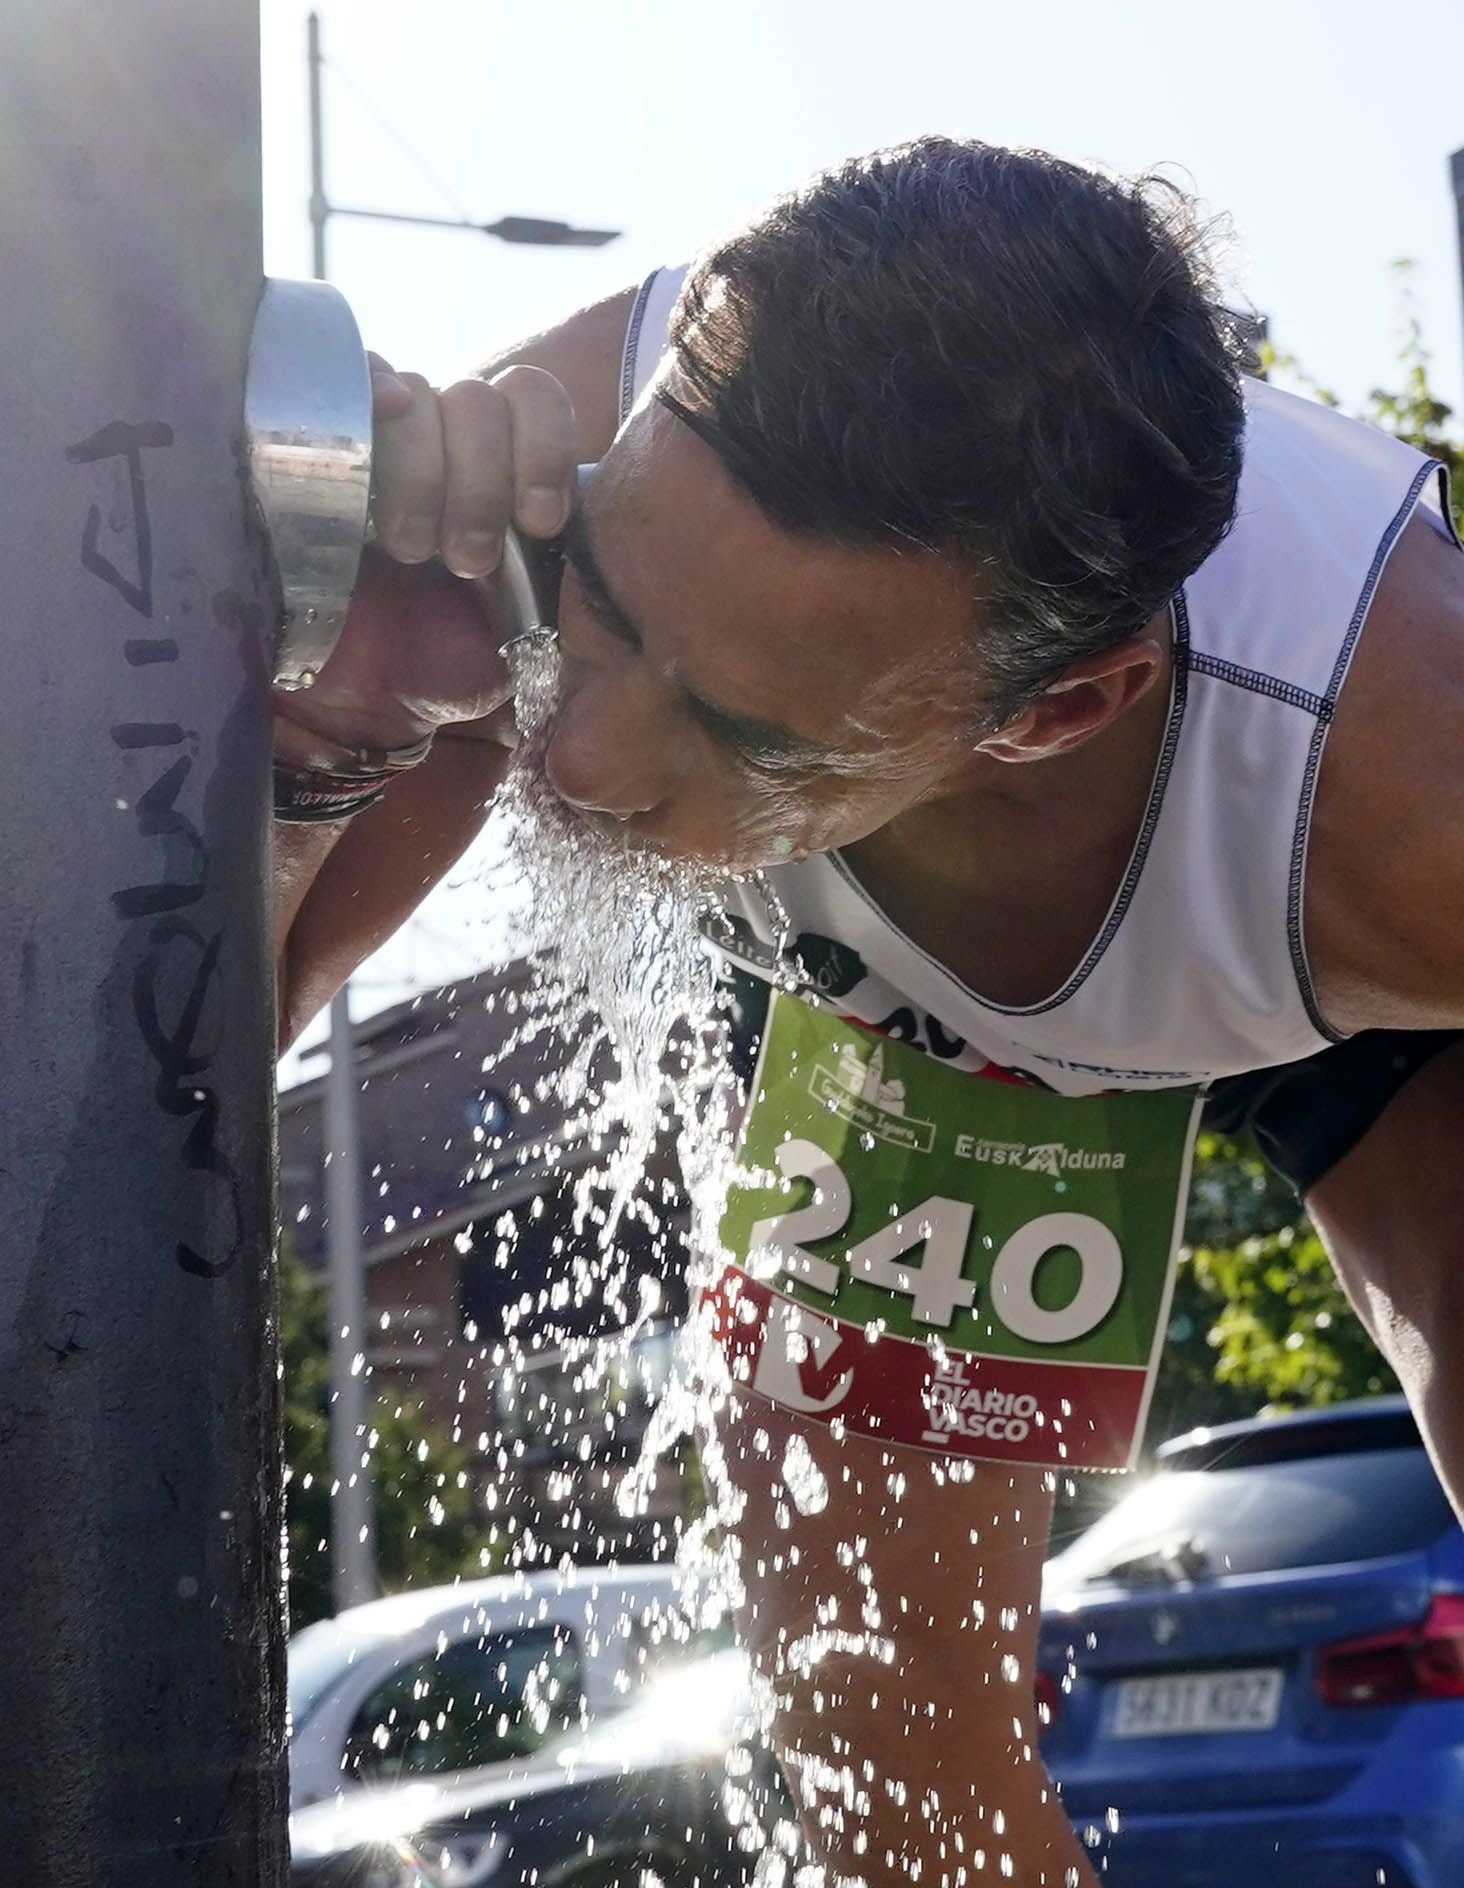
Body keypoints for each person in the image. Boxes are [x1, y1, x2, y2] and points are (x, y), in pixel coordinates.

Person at [272, 138, 1464, 1886]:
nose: (581, 761)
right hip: (903, 1004)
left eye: (747, 733)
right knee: (883, 1761)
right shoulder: (522, 492)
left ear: (1056, 711)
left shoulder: (1403, 787)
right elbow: (168, 1118)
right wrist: (319, 742)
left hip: (1303, 922)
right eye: (602, 619)